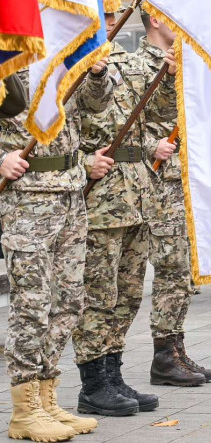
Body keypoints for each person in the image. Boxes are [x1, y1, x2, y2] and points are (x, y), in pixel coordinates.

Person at [0, 62, 112, 442]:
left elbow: (98, 106)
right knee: (32, 304)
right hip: (27, 199)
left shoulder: (65, 54)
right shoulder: (5, 60)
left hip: (69, 192)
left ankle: (46, 398)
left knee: (68, 303)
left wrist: (96, 73)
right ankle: (24, 409)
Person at [72, 34, 179, 416]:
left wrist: (167, 75)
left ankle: (113, 373)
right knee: (98, 293)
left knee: (128, 292)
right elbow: (67, 127)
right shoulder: (72, 61)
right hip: (100, 197)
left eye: (113, 13)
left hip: (135, 192)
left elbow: (157, 115)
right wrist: (85, 163)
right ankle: (93, 383)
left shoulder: (128, 63)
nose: (110, 20)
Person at [137, 10, 211, 384]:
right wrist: (152, 143)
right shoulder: (137, 65)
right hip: (158, 183)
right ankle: (162, 357)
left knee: (183, 272)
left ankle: (175, 348)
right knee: (170, 269)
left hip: (186, 178)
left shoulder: (184, 59)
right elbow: (126, 122)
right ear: (153, 19)